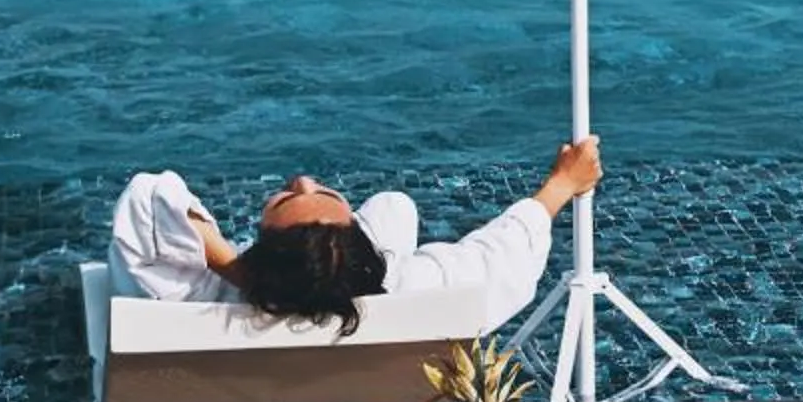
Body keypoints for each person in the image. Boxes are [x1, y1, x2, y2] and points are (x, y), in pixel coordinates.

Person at [108, 136, 600, 336]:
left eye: (286, 197)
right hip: (371, 291)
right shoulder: (413, 293)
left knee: (392, 209)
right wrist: (564, 183)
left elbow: (149, 196)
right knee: (395, 206)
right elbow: (502, 255)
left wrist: (243, 273)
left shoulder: (199, 299)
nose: (301, 179)